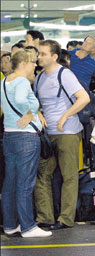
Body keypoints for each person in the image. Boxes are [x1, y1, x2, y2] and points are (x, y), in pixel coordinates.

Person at [34, 40, 90, 230]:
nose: (39, 57)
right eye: (39, 53)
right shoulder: (40, 77)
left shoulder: (64, 75)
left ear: (54, 57)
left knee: (69, 176)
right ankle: (45, 217)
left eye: (43, 54)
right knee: (43, 175)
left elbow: (84, 98)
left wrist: (65, 115)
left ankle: (65, 218)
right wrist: (40, 114)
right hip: (48, 134)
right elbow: (36, 103)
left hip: (67, 132)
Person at [0, 50, 52, 238]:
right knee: (25, 183)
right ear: (22, 63)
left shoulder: (4, 81)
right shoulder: (22, 81)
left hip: (10, 135)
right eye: (31, 62)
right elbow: (22, 100)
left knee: (10, 182)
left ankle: (10, 224)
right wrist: (30, 112)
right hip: (26, 137)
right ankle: (28, 226)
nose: (34, 66)